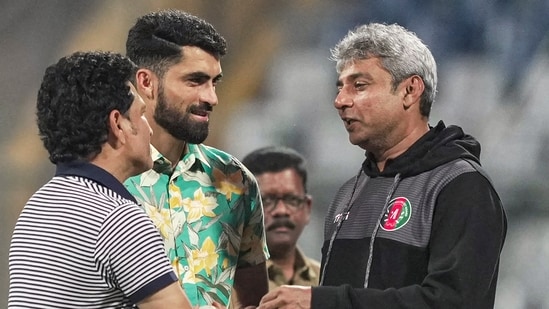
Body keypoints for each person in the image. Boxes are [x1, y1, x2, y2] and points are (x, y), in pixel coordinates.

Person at [258, 23, 507, 309]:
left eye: (359, 85)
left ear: (410, 90)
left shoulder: (462, 187)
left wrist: (323, 302)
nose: (340, 100)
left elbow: (454, 303)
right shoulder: (347, 194)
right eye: (340, 87)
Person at [8, 51, 193, 308]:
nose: (149, 129)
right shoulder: (118, 219)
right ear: (118, 124)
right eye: (140, 114)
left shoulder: (35, 208)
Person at [123, 9, 269, 308]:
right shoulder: (106, 180)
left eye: (214, 82)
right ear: (146, 83)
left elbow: (256, 300)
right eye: (195, 81)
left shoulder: (235, 181)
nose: (212, 97)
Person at [241, 146, 320, 290]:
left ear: (307, 207)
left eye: (291, 199)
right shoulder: (222, 285)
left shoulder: (327, 282)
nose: (281, 211)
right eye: (267, 200)